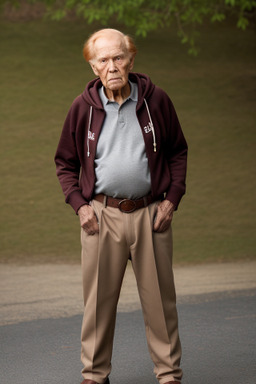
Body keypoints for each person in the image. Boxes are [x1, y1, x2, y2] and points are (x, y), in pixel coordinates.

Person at [55, 28, 188, 384]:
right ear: (93, 66)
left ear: (131, 59)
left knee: (161, 305)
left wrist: (172, 199)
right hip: (101, 218)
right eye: (103, 60)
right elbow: (65, 163)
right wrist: (80, 207)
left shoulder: (156, 100)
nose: (111, 66)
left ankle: (169, 374)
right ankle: (94, 375)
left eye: (118, 57)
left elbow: (177, 150)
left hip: (151, 215)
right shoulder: (82, 108)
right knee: (97, 306)